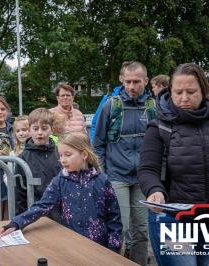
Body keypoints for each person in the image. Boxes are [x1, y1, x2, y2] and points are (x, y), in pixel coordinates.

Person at [138, 63, 209, 266]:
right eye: (178, 92)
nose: (184, 98)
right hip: (174, 222)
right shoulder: (159, 126)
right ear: (170, 92)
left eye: (191, 91)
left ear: (203, 91)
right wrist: (154, 190)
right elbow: (147, 169)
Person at [2, 132, 123, 252]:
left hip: (99, 247)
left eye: (68, 155)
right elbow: (42, 205)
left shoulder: (102, 180)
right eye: (60, 155)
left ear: (84, 154)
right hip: (71, 243)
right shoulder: (60, 180)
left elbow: (114, 216)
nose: (62, 160)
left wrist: (114, 247)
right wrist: (16, 223)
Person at [93, 61, 155, 265]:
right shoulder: (111, 105)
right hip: (117, 176)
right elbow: (98, 144)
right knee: (119, 229)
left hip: (143, 178)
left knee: (142, 231)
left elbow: (161, 143)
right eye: (127, 81)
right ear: (121, 80)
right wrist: (103, 174)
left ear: (146, 81)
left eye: (136, 81)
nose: (131, 86)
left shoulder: (153, 106)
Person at [14, 108, 62, 215]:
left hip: (59, 212)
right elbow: (19, 193)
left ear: (52, 129)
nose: (39, 133)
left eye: (44, 128)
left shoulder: (60, 153)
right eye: (35, 129)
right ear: (29, 130)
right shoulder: (22, 158)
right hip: (34, 213)